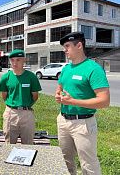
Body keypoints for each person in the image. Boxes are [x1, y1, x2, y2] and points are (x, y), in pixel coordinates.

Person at [55, 32, 110, 175]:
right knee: (66, 160)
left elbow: (104, 101)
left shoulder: (93, 68)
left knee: (88, 164)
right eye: (63, 47)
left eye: (67, 46)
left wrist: (72, 101)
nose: (64, 50)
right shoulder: (67, 68)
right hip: (63, 120)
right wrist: (58, 93)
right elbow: (60, 86)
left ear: (79, 45)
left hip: (83, 124)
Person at [0, 49, 42, 144]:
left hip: (27, 113)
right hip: (11, 112)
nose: (15, 63)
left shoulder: (31, 77)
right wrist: (13, 105)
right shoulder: (5, 77)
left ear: (24, 60)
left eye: (18, 60)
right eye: (12, 60)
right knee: (9, 143)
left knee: (28, 144)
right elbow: (4, 96)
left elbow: (35, 96)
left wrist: (25, 105)